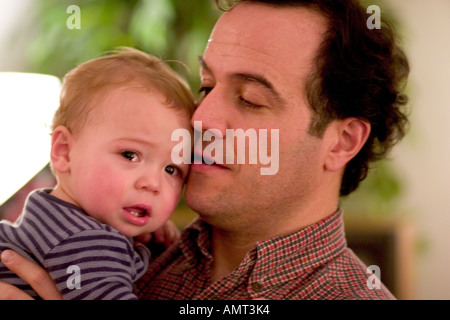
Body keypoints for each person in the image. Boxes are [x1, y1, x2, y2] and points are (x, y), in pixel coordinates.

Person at [0, 0, 409, 300]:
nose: (200, 120)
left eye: (249, 99)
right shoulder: (135, 242)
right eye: (206, 86)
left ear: (342, 141)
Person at [0, 48, 194, 299]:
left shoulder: (51, 219)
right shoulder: (89, 243)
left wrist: (145, 245)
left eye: (171, 169)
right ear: (65, 152)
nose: (153, 183)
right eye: (130, 155)